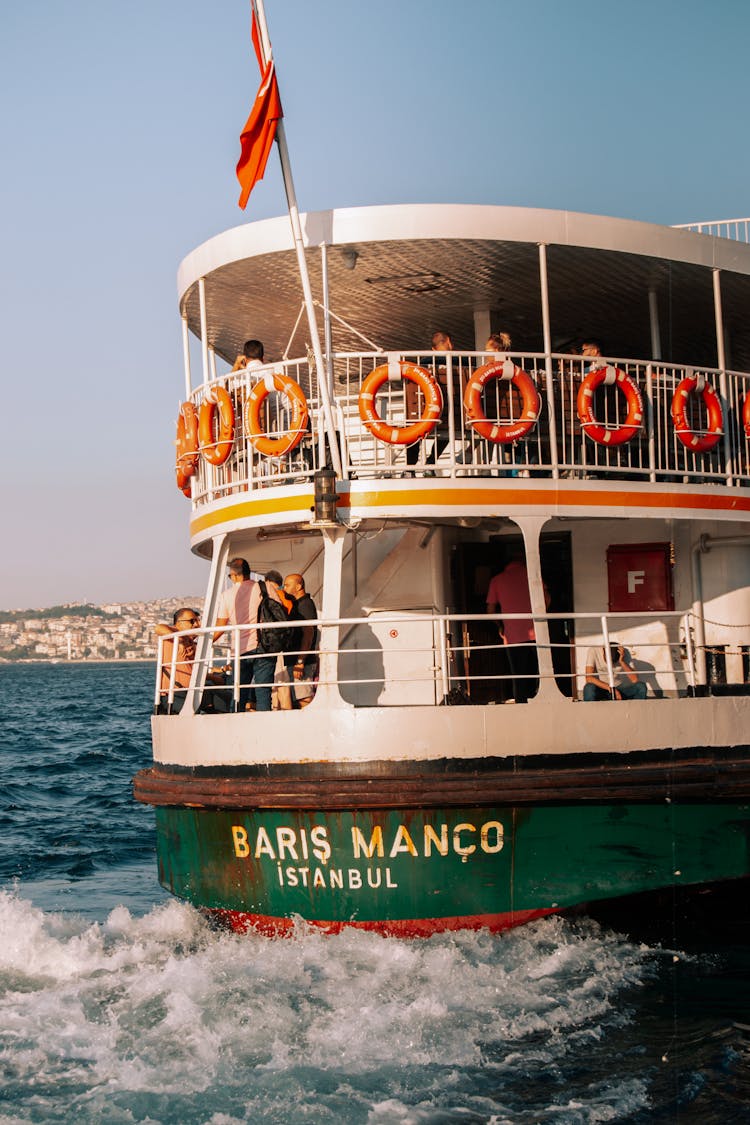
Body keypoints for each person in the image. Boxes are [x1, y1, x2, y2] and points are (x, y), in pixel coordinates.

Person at [213, 557, 281, 712]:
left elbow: (221, 626)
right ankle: (264, 724)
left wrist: (201, 642)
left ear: (234, 575)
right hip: (265, 646)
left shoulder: (227, 595)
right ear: (248, 573)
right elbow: (279, 610)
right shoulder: (266, 587)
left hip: (240, 650)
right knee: (263, 691)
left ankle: (235, 724)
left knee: (238, 692)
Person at [486, 545, 549, 703]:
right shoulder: (534, 577)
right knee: (538, 671)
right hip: (537, 632)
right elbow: (547, 600)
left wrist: (501, 626)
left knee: (518, 674)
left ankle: (521, 702)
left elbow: (490, 611)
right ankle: (539, 699)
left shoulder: (497, 580)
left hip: (512, 635)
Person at [406, 331, 466, 468]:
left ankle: (410, 467)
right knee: (450, 423)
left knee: (413, 428)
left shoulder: (424, 363)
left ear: (433, 349)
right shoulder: (461, 362)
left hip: (424, 413)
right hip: (452, 415)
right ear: (449, 342)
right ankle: (432, 460)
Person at [282, 572, 319, 708]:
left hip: (301, 661)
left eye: (287, 585)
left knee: (304, 698)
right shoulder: (297, 605)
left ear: (298, 586)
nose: (284, 588)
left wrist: (300, 661)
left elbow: (308, 634)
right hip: (295, 660)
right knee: (299, 697)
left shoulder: (305, 605)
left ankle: (312, 726)